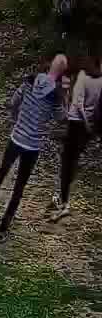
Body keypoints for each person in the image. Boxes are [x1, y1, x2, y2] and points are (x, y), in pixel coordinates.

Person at [0, 53, 71, 239]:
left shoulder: (29, 82)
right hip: (33, 146)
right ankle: (2, 229)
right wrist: (65, 94)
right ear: (62, 73)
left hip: (16, 138)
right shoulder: (55, 96)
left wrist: (16, 119)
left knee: (1, 173)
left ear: (48, 66)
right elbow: (62, 118)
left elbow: (13, 102)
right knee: (19, 187)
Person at [53, 55, 102, 221]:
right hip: (87, 127)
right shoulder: (99, 79)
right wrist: (92, 126)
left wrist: (86, 123)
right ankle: (62, 197)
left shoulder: (82, 75)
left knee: (67, 162)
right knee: (72, 161)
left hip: (77, 123)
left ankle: (64, 201)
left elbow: (78, 103)